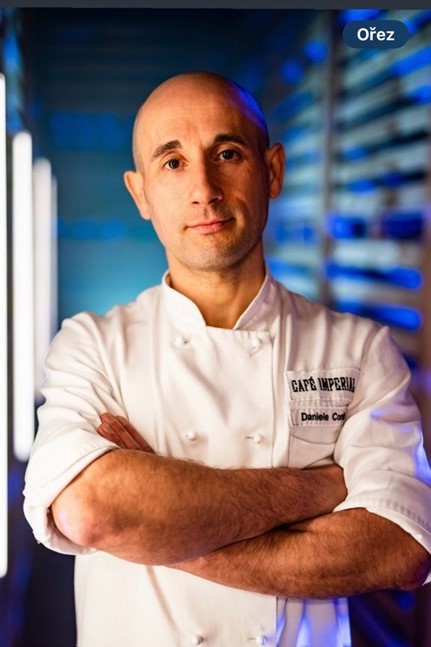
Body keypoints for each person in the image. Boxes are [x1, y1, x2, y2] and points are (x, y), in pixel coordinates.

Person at [23, 71, 431, 647]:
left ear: (273, 171)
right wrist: (315, 491)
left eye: (228, 154)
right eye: (173, 163)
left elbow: (399, 548)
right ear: (140, 194)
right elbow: (90, 510)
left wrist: (154, 530)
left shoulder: (359, 350)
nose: (205, 190)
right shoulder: (92, 346)